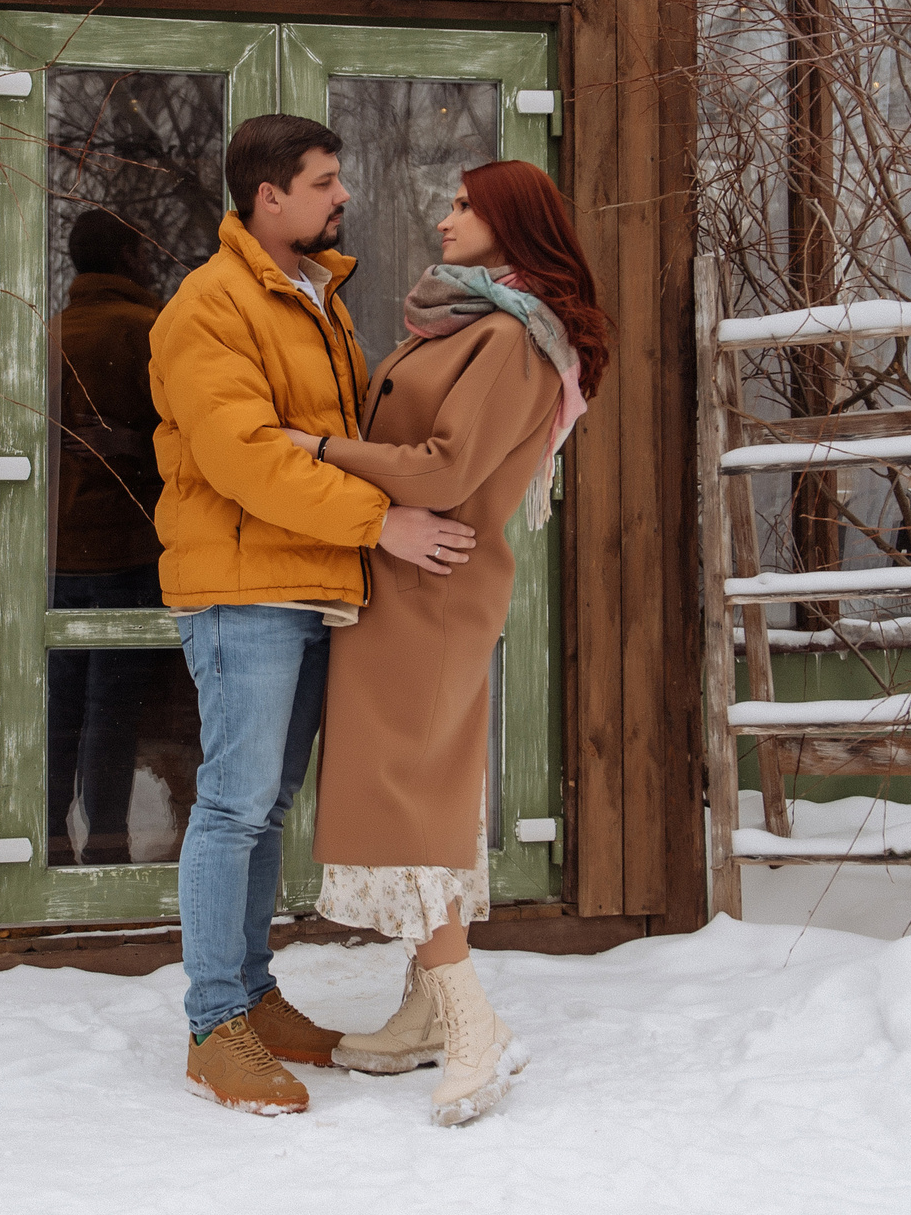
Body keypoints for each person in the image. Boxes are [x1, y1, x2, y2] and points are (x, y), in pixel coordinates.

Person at [148, 112, 480, 1116]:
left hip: (305, 586)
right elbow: (250, 457)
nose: (343, 197)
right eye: (326, 180)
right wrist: (383, 522)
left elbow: (332, 437)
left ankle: (254, 994)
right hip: (242, 590)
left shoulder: (309, 296)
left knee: (265, 806)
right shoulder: (208, 309)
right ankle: (215, 1025)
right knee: (233, 804)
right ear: (269, 196)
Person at [284, 160, 607, 1127]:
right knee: (422, 790)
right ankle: (426, 1008)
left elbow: (446, 466)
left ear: (512, 224)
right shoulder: (466, 321)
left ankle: (473, 1023)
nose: (444, 215)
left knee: (405, 791)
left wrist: (322, 451)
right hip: (408, 584)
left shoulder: (512, 337)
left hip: (433, 588)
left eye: (465, 205)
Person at [47, 208, 168, 865]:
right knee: (111, 713)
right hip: (127, 551)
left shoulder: (47, 335)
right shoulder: (152, 334)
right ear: (129, 258)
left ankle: (47, 845)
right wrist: (133, 447)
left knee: (58, 712)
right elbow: (187, 443)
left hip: (57, 553)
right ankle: (107, 848)